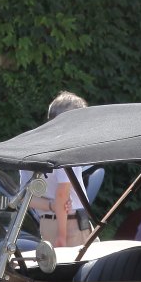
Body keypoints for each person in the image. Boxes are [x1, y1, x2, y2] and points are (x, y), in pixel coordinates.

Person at [38, 91, 93, 248]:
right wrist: (61, 235)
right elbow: (62, 192)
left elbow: (24, 198)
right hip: (70, 225)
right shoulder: (67, 148)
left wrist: (52, 206)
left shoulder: (36, 148)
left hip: (46, 224)